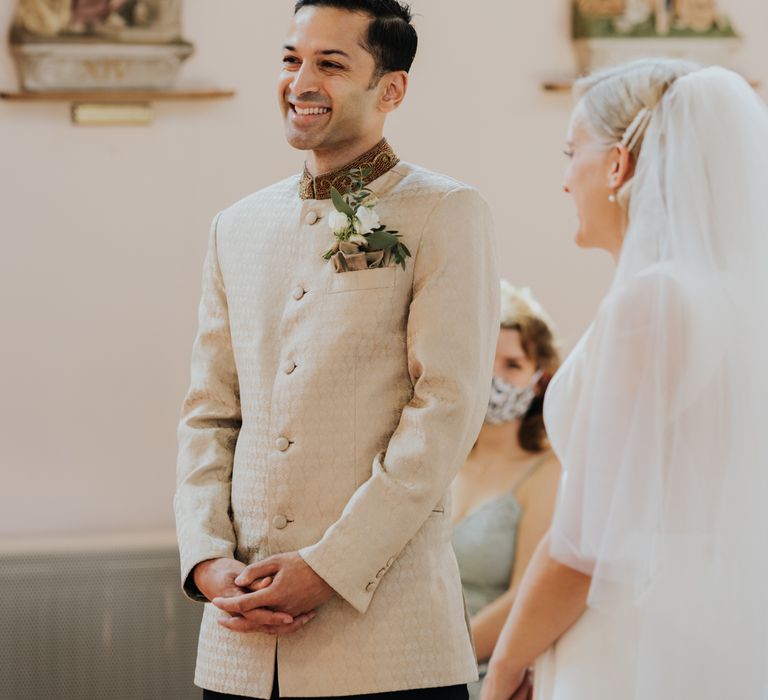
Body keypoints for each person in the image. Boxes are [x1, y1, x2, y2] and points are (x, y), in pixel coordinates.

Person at [174, 1, 499, 699]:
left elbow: (446, 409)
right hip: (239, 646)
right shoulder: (236, 227)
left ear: (391, 89)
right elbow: (209, 412)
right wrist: (207, 560)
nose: (300, 81)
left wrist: (327, 568)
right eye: (292, 59)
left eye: (330, 62)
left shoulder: (444, 212)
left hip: (387, 647)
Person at [481, 58, 768, 700]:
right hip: (711, 627)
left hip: (628, 637)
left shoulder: (654, 303)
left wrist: (504, 666)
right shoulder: (735, 298)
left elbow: (585, 541)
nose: (563, 181)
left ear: (618, 165)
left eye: (571, 152)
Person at [452, 282, 561, 700]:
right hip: (399, 661)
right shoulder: (444, 458)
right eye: (487, 361)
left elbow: (525, 596)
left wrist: (442, 661)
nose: (495, 378)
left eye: (513, 365)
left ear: (538, 380)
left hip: (478, 670)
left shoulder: (547, 471)